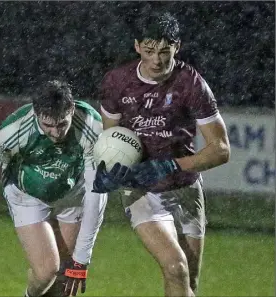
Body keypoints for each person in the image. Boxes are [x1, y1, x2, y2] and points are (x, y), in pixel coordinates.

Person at [93, 12, 230, 297]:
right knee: (175, 266)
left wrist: (169, 165)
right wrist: (110, 174)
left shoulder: (191, 83)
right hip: (141, 190)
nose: (157, 60)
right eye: (149, 50)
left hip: (185, 187)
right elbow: (110, 143)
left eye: (165, 51)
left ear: (177, 47)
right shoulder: (117, 83)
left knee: (187, 283)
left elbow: (221, 149)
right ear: (137, 46)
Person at [0, 80, 107, 297]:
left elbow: (97, 191)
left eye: (61, 124)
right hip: (27, 195)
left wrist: (82, 260)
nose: (56, 133)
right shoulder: (17, 129)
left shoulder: (91, 126)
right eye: (48, 125)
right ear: (36, 112)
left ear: (72, 109)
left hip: (71, 195)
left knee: (66, 278)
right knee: (47, 271)